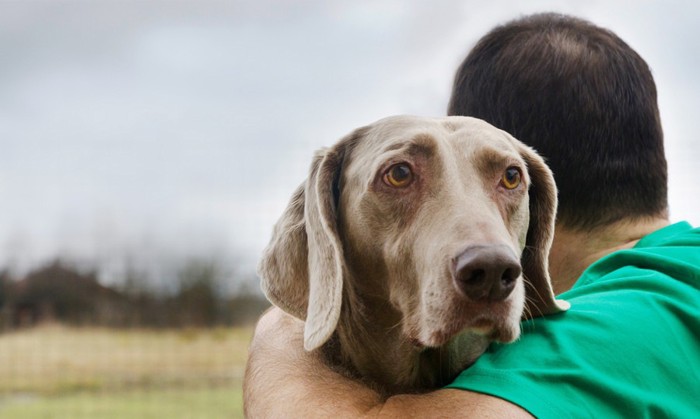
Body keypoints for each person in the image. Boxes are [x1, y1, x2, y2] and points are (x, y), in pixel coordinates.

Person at [244, 13, 700, 418]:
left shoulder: (612, 331)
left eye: (506, 179)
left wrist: (280, 337)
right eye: (400, 175)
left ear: (542, 204)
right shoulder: (685, 276)